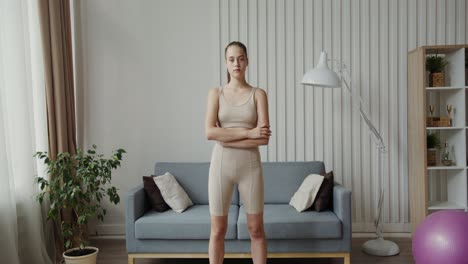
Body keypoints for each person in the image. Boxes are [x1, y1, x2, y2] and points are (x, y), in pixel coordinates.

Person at [205, 41, 271, 264]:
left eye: (241, 58)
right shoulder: (216, 93)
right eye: (232, 59)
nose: (236, 63)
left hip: (250, 168)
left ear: (247, 61)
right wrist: (249, 134)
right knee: (218, 230)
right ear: (226, 63)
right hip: (220, 167)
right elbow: (210, 133)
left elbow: (263, 138)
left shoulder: (258, 94)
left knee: (256, 228)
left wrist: (228, 137)